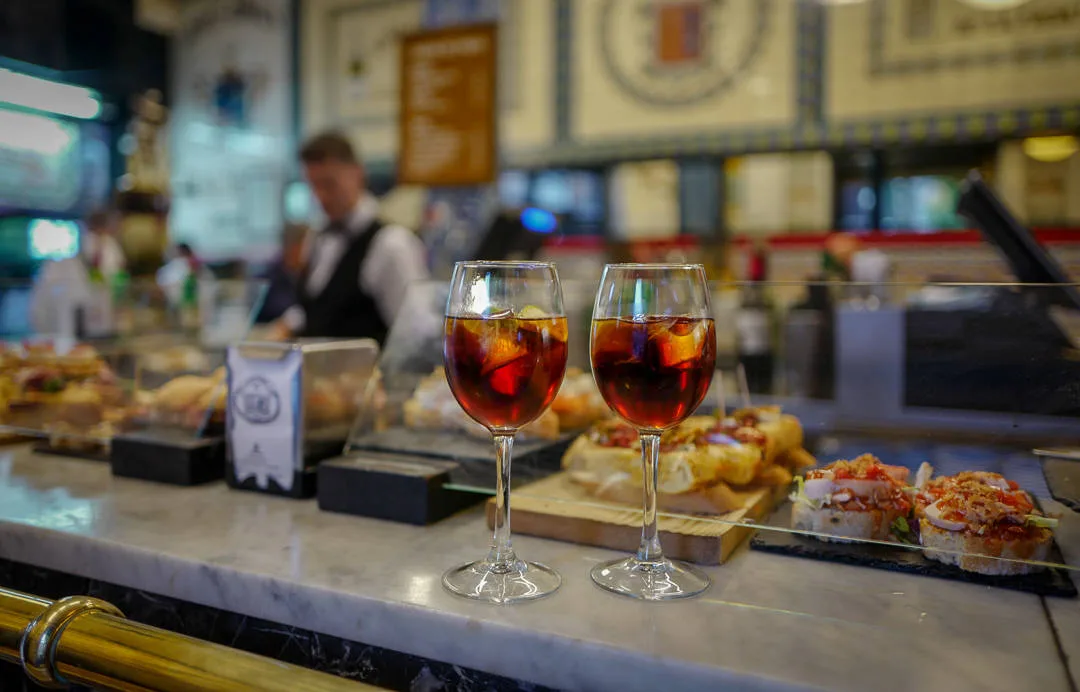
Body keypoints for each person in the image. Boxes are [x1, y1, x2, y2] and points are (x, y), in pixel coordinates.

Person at [274, 132, 428, 343]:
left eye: (329, 184)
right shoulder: (317, 236)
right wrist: (287, 325)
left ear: (357, 173)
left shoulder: (392, 244)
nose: (321, 196)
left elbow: (416, 330)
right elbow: (319, 306)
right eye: (313, 185)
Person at [81, 209, 126, 279]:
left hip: (113, 278)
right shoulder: (89, 239)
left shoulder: (110, 240)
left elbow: (121, 262)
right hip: (95, 278)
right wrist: (98, 244)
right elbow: (91, 262)